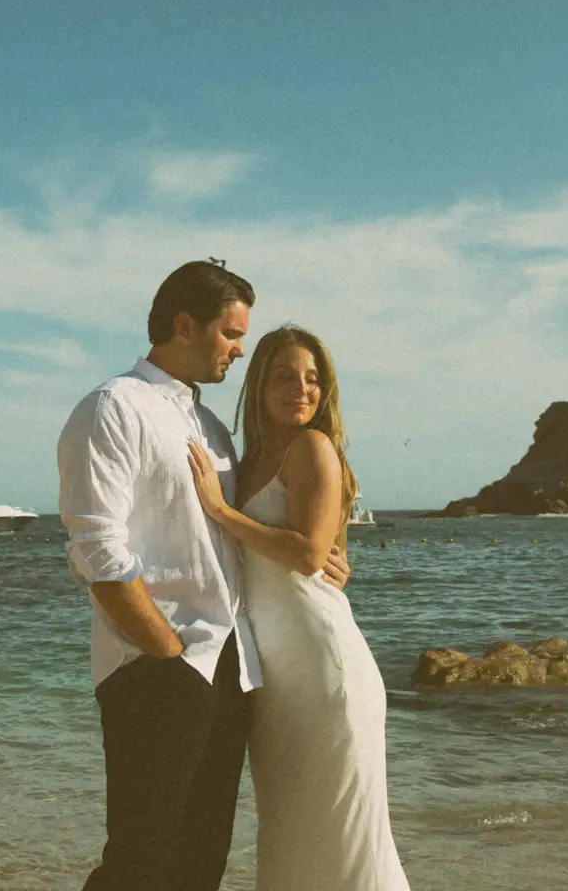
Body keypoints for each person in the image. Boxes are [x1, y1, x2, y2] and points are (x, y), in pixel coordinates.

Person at [58, 261, 350, 891]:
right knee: (141, 859)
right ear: (184, 325)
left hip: (230, 666)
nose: (240, 349)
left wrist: (319, 557)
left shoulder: (211, 428)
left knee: (201, 861)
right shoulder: (113, 408)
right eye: (230, 334)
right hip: (157, 665)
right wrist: (164, 652)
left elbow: (244, 536)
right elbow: (96, 550)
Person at [186, 324, 409, 890]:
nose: (301, 389)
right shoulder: (253, 458)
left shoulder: (312, 446)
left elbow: (309, 554)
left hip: (322, 667)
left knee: (342, 837)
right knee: (291, 833)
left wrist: (219, 509)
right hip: (277, 677)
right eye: (285, 376)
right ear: (259, 385)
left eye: (312, 379)